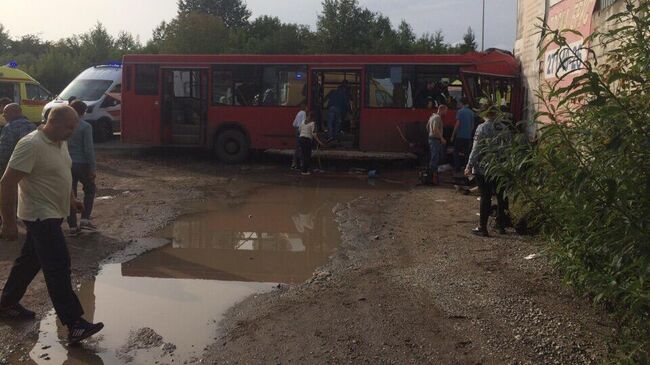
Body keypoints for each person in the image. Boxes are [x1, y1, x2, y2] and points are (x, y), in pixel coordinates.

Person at [0, 105, 104, 345]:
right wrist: (7, 222)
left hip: (53, 213)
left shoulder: (60, 142)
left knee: (30, 261)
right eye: (69, 126)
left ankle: (6, 303)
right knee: (58, 265)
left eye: (74, 126)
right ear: (53, 122)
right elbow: (6, 183)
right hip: (39, 215)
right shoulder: (31, 145)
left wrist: (71, 201)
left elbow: (61, 174)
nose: (72, 131)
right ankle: (74, 323)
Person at [465, 108, 509, 237]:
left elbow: (476, 148)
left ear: (485, 114)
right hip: (501, 167)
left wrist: (469, 165)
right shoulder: (504, 128)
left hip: (484, 168)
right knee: (501, 196)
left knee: (486, 196)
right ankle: (501, 225)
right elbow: (509, 147)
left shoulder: (482, 128)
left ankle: (482, 227)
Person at [66, 100, 97, 236]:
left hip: (67, 163)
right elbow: (89, 149)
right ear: (84, 111)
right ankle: (84, 219)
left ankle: (72, 226)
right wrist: (93, 168)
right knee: (90, 189)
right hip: (82, 163)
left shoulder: (65, 125)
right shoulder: (85, 126)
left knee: (70, 193)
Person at [0, 104, 37, 175]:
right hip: (31, 166)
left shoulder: (9, 128)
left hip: (15, 167)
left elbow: (4, 152)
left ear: (15, 113)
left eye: (6, 112)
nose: (3, 115)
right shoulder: (33, 126)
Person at [452, 98, 476, 173]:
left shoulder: (460, 112)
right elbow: (472, 126)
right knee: (467, 153)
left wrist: (453, 135)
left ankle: (457, 167)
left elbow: (457, 124)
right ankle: (466, 168)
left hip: (460, 136)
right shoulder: (472, 113)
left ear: (462, 103)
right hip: (468, 137)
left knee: (456, 152)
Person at [426, 105, 447, 185]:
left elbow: (427, 127)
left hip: (431, 139)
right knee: (435, 158)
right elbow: (435, 128)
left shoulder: (432, 117)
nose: (446, 112)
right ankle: (432, 178)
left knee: (434, 157)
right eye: (445, 110)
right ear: (441, 109)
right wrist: (441, 138)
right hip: (435, 140)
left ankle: (431, 177)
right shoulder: (437, 118)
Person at [291, 102, 307, 170]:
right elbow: (303, 123)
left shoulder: (298, 113)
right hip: (301, 131)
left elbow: (294, 124)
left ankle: (294, 164)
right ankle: (301, 164)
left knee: (297, 148)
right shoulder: (303, 113)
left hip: (297, 130)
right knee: (302, 148)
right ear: (304, 107)